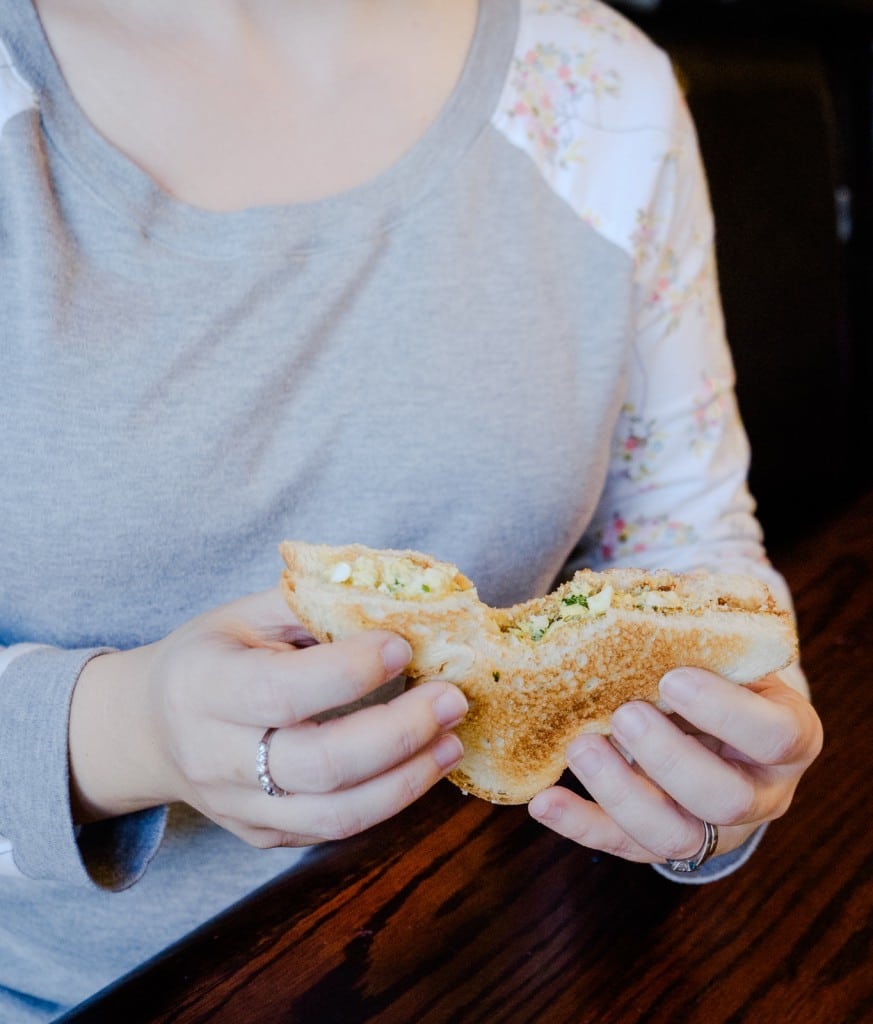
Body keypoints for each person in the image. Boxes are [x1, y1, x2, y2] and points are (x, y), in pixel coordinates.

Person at [0, 0, 823, 1019]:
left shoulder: (605, 98)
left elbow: (683, 543)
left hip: (502, 959)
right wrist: (131, 733)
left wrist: (723, 779)